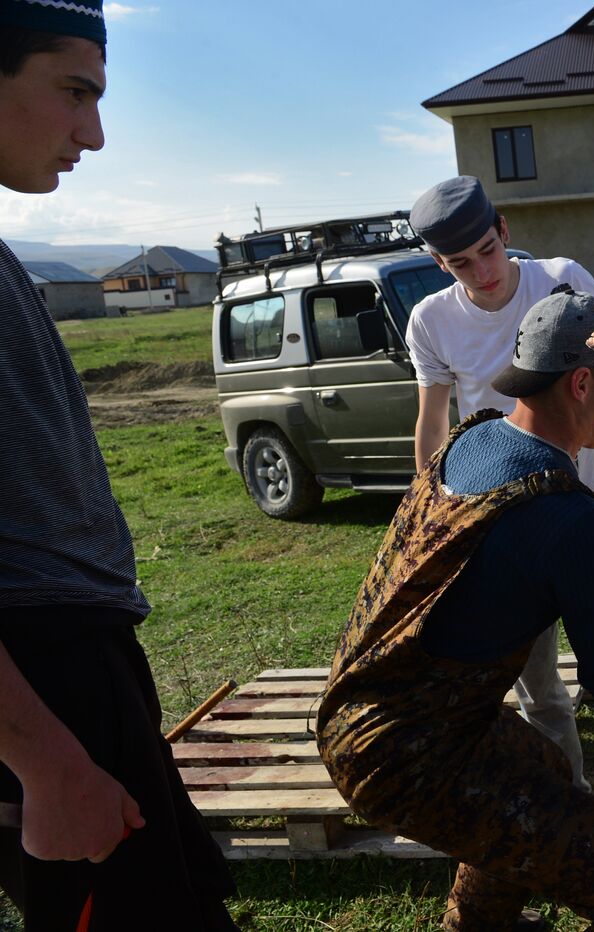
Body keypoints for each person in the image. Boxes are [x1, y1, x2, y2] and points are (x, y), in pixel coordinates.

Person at [317, 288, 594, 930]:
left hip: (364, 714)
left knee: (542, 770)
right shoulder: (567, 514)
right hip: (405, 758)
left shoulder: (471, 446)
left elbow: (520, 560)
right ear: (583, 383)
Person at [0, 3, 237, 928]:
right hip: (43, 677)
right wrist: (46, 763)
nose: (92, 135)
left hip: (77, 668)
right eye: (73, 93)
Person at [405, 176, 594, 845]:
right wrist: (430, 514)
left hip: (585, 509)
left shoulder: (562, 280)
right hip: (506, 532)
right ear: (441, 266)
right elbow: (431, 421)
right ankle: (571, 795)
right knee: (538, 684)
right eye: (460, 264)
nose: (482, 272)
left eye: (485, 250)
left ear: (502, 230)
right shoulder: (432, 321)